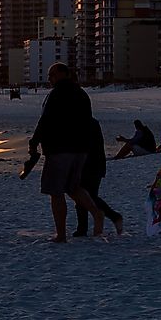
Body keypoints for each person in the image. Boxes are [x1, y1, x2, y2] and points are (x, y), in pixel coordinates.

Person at [28, 62, 106, 242]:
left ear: (62, 75)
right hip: (80, 150)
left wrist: (34, 142)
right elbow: (88, 122)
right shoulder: (82, 94)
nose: (49, 79)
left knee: (56, 191)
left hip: (60, 149)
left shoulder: (56, 94)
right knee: (73, 187)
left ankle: (61, 234)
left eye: (52, 75)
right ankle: (97, 213)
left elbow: (45, 121)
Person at [73, 118, 124, 238]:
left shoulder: (84, 123)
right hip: (96, 164)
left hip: (88, 164)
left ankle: (113, 216)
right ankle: (82, 228)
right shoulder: (92, 122)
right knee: (86, 195)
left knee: (85, 195)